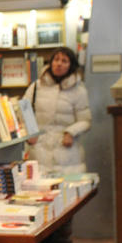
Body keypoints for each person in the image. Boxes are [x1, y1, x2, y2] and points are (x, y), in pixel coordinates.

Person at [22, 46, 91, 176]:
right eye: (56, 59)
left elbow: (85, 120)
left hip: (67, 153)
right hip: (39, 150)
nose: (59, 64)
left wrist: (71, 132)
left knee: (67, 193)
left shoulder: (79, 90)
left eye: (64, 61)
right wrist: (30, 133)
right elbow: (23, 111)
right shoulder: (36, 86)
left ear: (71, 65)